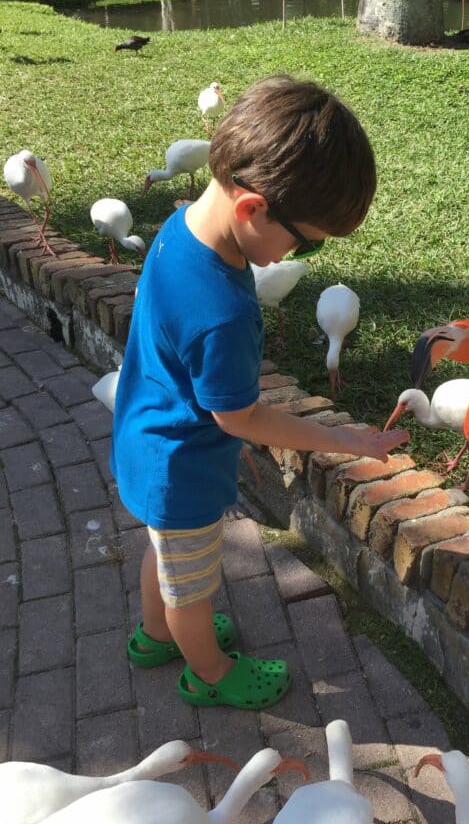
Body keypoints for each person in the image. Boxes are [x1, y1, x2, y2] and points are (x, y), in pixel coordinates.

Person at [111, 76, 409, 711]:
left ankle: (155, 635)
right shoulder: (222, 309)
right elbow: (239, 415)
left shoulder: (182, 228)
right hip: (181, 470)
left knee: (163, 554)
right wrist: (342, 439)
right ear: (252, 209)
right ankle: (209, 673)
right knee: (191, 586)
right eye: (306, 241)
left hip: (146, 442)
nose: (303, 254)